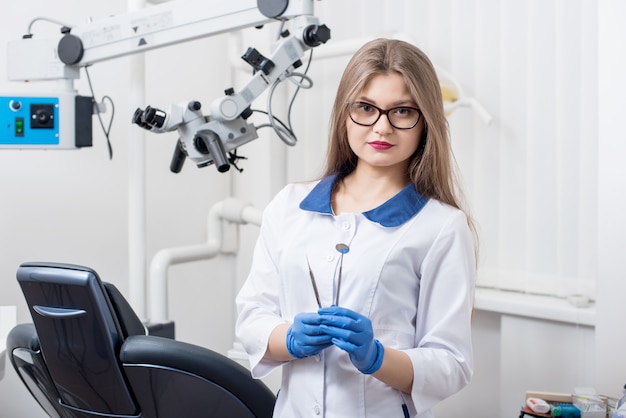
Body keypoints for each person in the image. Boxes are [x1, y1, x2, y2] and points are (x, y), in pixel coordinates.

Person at [236, 38, 477, 418]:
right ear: (345, 113)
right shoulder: (289, 206)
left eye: (402, 111)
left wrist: (377, 357)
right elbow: (252, 317)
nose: (382, 127)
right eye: (366, 107)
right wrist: (292, 340)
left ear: (425, 121)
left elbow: (452, 363)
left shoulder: (441, 226)